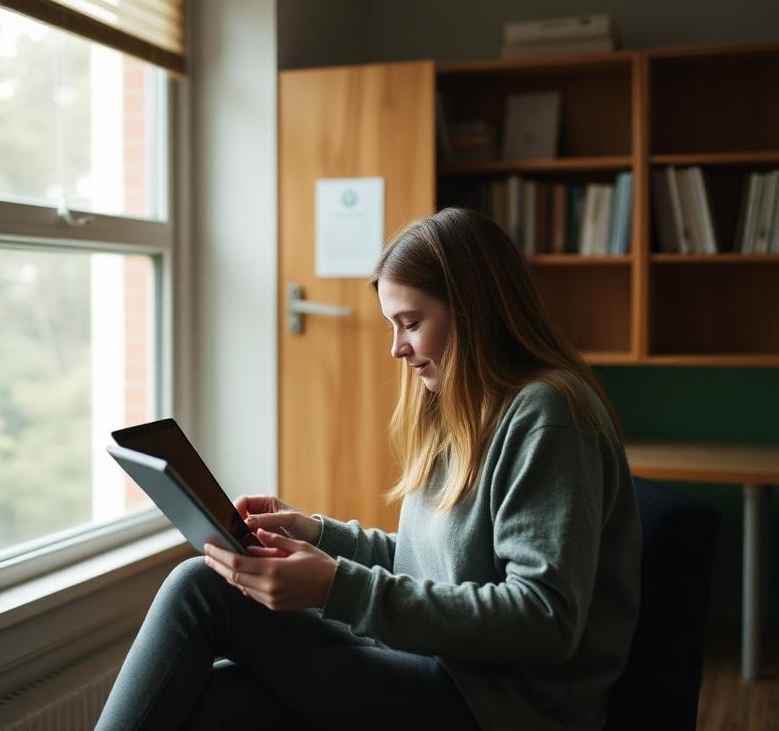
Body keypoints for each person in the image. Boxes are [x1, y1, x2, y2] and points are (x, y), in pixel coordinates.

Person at [95, 207, 641, 731]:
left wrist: (337, 588)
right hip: (436, 666)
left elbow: (544, 618)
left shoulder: (548, 415)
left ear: (477, 312)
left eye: (410, 323)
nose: (396, 349)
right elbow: (430, 568)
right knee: (220, 698)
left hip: (498, 709)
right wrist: (318, 535)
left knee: (203, 588)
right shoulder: (465, 407)